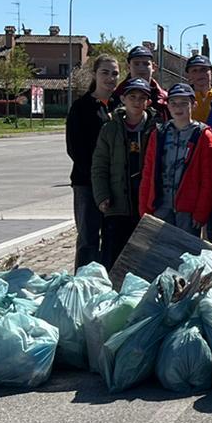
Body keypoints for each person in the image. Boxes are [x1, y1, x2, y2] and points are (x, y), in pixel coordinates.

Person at [138, 83, 212, 235]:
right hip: (160, 205)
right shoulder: (159, 133)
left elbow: (208, 177)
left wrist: (201, 211)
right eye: (173, 103)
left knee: (185, 249)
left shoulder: (203, 135)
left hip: (188, 210)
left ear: (194, 105)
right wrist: (144, 208)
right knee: (161, 248)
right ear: (167, 106)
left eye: (184, 103)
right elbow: (148, 172)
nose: (178, 108)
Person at [91, 78, 154, 268]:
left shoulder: (156, 129)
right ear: (123, 99)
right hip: (117, 202)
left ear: (148, 102)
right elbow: (99, 166)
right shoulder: (110, 129)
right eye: (132, 97)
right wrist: (102, 195)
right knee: (113, 256)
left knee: (143, 259)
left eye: (142, 98)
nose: (137, 102)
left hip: (146, 203)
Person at [65, 54, 119, 269]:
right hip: (86, 184)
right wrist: (98, 181)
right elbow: (75, 149)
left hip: (115, 184)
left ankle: (107, 281)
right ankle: (83, 282)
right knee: (88, 239)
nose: (110, 78)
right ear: (94, 74)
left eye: (114, 73)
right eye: (105, 72)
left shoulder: (120, 106)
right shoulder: (81, 107)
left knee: (112, 238)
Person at [115, 45, 169, 116]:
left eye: (146, 64)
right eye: (136, 64)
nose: (141, 68)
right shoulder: (115, 96)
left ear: (153, 67)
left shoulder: (166, 99)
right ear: (128, 67)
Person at [185, 54, 212, 123]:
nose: (199, 74)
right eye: (194, 70)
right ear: (188, 75)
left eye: (203, 69)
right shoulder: (183, 97)